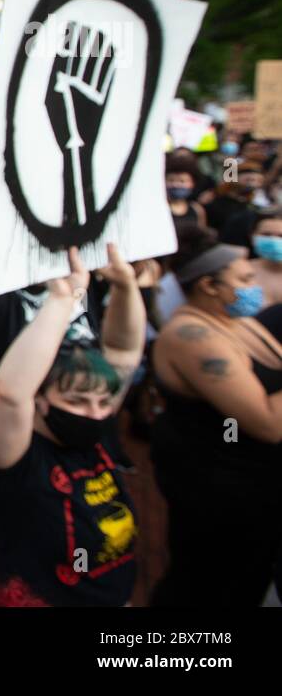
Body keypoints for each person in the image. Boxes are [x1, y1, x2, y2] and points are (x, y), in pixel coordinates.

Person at [0, 246, 146, 606]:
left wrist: (126, 286)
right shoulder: (17, 459)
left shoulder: (93, 432)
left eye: (103, 403)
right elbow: (11, 392)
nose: (96, 412)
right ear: (39, 400)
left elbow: (122, 350)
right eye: (75, 401)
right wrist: (62, 297)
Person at [149, 226, 282, 605]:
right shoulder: (192, 335)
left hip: (258, 492)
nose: (253, 284)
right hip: (220, 493)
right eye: (243, 279)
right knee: (206, 586)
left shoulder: (236, 321)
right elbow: (268, 424)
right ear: (209, 286)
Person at [249, 211, 282, 306]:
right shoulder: (241, 272)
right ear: (252, 236)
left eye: (281, 236)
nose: (274, 240)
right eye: (266, 235)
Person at [166, 160, 207, 229]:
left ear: (192, 184)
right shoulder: (159, 208)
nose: (176, 185)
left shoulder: (197, 210)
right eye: (171, 180)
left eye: (182, 181)